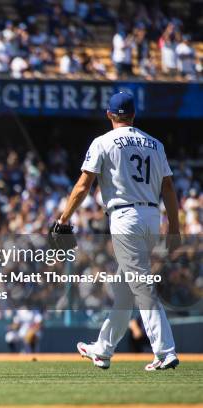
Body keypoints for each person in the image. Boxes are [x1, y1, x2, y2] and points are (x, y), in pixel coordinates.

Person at [56, 92, 180, 371]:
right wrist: (175, 227)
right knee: (126, 291)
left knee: (140, 284)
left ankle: (165, 350)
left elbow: (82, 185)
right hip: (152, 216)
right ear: (134, 114)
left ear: (110, 114)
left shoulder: (103, 142)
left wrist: (64, 218)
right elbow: (169, 188)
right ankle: (103, 349)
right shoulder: (155, 144)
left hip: (124, 216)